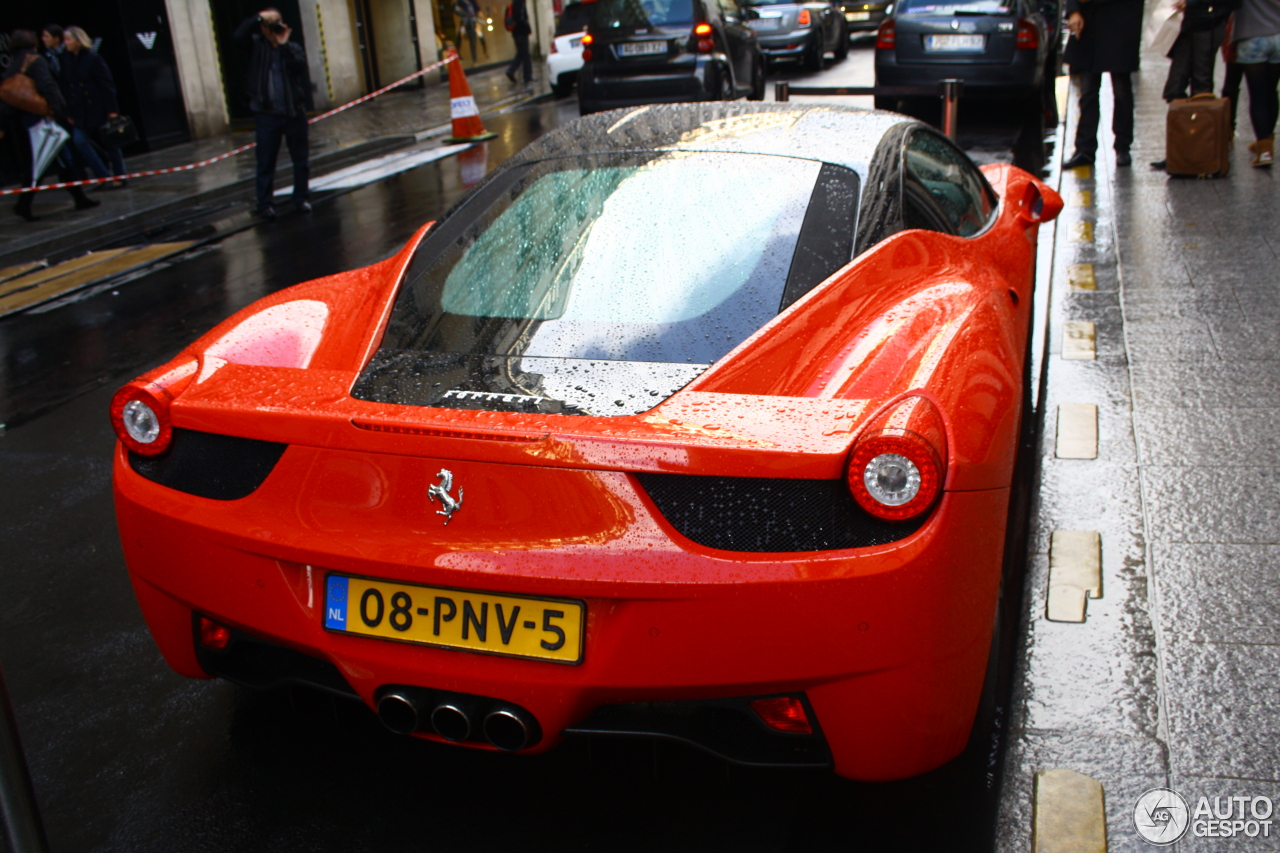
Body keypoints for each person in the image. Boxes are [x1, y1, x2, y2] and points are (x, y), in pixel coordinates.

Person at [0, 30, 99, 221]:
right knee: (46, 162)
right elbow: (47, 85)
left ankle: (78, 198)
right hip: (42, 117)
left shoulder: (12, 66)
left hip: (24, 120)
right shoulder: (35, 61)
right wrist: (57, 110)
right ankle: (25, 204)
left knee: (57, 160)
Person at [234, 8, 313, 217]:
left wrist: (283, 44)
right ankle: (265, 204)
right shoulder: (256, 47)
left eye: (278, 22)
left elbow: (299, 68)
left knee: (301, 160)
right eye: (271, 24)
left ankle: (301, 198)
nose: (275, 28)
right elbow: (238, 36)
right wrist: (258, 18)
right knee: (266, 161)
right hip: (266, 114)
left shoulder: (292, 48)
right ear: (263, 28)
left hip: (293, 112)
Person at [1062, 0, 1145, 169]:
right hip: (1089, 23)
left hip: (1121, 20)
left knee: (1121, 90)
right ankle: (1085, 149)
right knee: (1087, 91)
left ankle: (1122, 147)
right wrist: (1073, 11)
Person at [59, 26, 127, 188]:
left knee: (111, 143)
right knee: (80, 141)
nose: (65, 43)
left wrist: (112, 110)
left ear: (78, 40)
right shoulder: (67, 60)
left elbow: (106, 85)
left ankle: (120, 176)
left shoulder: (93, 58)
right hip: (80, 110)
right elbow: (67, 87)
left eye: (68, 39)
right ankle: (102, 175)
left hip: (98, 107)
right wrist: (69, 110)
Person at [1233, 0, 1280, 166]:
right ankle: (1267, 140)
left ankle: (1264, 150)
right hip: (1278, 35)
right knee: (1271, 91)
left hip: (1252, 35)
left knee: (1258, 94)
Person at [1162, 0, 1238, 102]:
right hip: (1193, 21)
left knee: (1201, 87)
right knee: (1175, 87)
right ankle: (1187, 113)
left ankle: (1198, 114)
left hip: (1208, 21)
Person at [505, 0, 534, 85]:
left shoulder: (516, 3)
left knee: (521, 53)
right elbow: (519, 18)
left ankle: (512, 71)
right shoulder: (519, 3)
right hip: (521, 33)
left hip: (517, 33)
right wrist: (526, 27)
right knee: (525, 54)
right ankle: (527, 76)